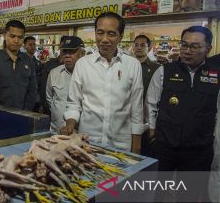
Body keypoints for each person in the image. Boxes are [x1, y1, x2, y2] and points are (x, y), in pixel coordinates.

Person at [146, 26, 218, 201]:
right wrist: (152, 131)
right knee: (158, 194)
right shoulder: (165, 71)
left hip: (199, 151)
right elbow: (151, 103)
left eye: (195, 46)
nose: (187, 51)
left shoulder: (215, 75)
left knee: (189, 196)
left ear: (208, 49)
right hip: (165, 147)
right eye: (184, 45)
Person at [60, 12, 144, 154]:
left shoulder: (132, 65)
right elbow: (74, 102)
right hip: (87, 143)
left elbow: (137, 109)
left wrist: (136, 146)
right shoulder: (83, 64)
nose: (104, 39)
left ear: (121, 36)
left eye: (111, 34)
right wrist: (70, 124)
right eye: (100, 33)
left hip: (120, 144)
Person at [0, 20, 37, 110]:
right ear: (5, 35)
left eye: (20, 37)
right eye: (12, 36)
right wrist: (0, 112)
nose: (16, 40)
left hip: (23, 115)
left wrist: (25, 112)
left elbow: (32, 91)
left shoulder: (29, 61)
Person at [46, 36, 84, 133]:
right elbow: (50, 99)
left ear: (82, 53)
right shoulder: (54, 73)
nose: (67, 55)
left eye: (72, 52)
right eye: (65, 52)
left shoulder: (89, 75)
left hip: (79, 133)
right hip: (56, 130)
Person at [132, 34, 160, 156]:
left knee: (145, 152)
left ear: (149, 48)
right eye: (136, 45)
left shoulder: (156, 68)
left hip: (147, 117)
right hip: (129, 116)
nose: (138, 47)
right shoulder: (128, 66)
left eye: (142, 45)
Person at [40, 35, 66, 114]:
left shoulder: (74, 65)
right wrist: (42, 105)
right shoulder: (50, 64)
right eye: (63, 45)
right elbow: (43, 86)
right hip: (49, 107)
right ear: (59, 46)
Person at [24, 36, 43, 111]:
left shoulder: (38, 62)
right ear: (25, 46)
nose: (33, 47)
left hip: (36, 98)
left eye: (34, 44)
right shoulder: (21, 61)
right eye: (30, 44)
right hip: (24, 98)